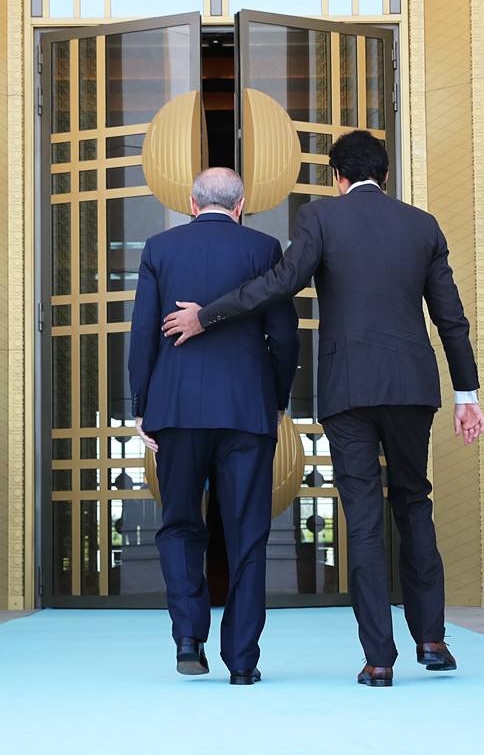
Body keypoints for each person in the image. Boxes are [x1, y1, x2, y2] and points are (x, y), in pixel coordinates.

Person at [160, 131, 484, 687]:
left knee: (361, 516)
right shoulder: (422, 225)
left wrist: (206, 316)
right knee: (413, 503)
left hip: (348, 389)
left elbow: (280, 284)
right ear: (384, 174)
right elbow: (450, 318)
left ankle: (379, 660)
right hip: (411, 385)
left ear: (337, 176)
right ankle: (432, 639)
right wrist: (466, 395)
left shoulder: (321, 219)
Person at [128, 168, 299, 685]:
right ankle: (243, 663)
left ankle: (188, 639)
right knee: (248, 533)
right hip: (246, 411)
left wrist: (142, 405)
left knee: (180, 523)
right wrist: (276, 400)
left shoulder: (160, 249)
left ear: (190, 201)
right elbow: (284, 337)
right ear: (242, 203)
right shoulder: (264, 248)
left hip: (176, 411)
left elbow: (143, 335)